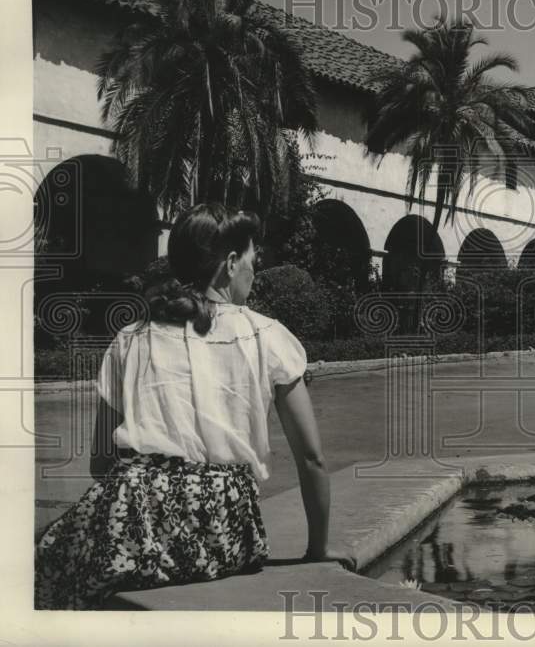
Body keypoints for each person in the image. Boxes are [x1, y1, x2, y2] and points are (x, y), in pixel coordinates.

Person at [35, 203, 355, 610]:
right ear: (232, 262)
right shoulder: (268, 336)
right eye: (254, 257)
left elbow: (101, 463)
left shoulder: (131, 338)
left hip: (132, 517)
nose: (256, 268)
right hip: (224, 531)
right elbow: (311, 459)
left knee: (44, 565)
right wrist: (317, 550)